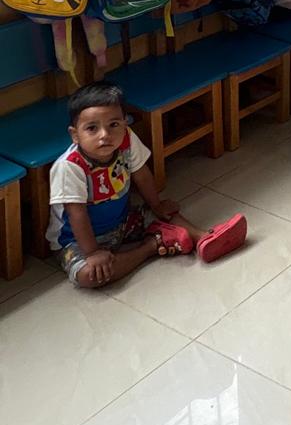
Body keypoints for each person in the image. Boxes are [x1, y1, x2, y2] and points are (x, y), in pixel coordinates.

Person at [48, 83, 247, 288]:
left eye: (113, 124)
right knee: (89, 275)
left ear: (124, 123)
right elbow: (76, 214)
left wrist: (156, 205)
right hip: (76, 240)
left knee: (166, 213)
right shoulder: (69, 167)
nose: (104, 135)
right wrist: (92, 253)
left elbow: (141, 174)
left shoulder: (126, 140)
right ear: (75, 134)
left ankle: (204, 238)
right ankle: (151, 246)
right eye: (92, 128)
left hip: (122, 223)